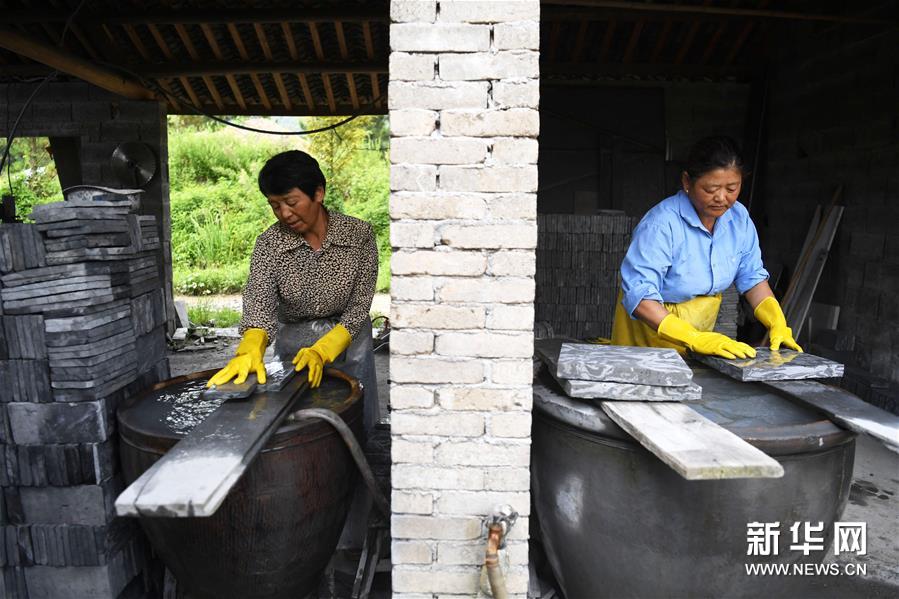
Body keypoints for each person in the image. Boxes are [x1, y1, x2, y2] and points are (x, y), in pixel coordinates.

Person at [207, 149, 380, 429]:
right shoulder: (269, 244)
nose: (284, 213)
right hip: (294, 343)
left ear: (318, 193)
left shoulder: (358, 235)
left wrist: (323, 350)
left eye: (291, 202)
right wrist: (250, 348)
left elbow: (360, 304)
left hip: (349, 338)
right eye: (275, 205)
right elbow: (259, 301)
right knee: (300, 421)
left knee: (354, 413)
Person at [611, 136, 802, 358]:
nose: (721, 198)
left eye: (732, 188)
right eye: (711, 189)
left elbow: (752, 278)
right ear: (686, 182)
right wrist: (693, 337)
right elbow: (639, 295)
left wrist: (776, 320)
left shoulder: (739, 219)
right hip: (648, 335)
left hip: (697, 337)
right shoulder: (661, 224)